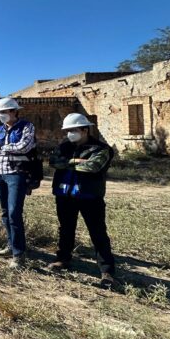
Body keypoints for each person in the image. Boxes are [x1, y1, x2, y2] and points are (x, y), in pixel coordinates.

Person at [48, 113, 116, 286]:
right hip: (65, 195)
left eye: (73, 130)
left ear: (85, 129)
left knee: (98, 232)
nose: (70, 133)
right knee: (66, 228)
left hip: (90, 196)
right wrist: (77, 160)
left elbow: (93, 166)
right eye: (68, 130)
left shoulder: (101, 148)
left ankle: (107, 271)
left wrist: (68, 162)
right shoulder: (64, 146)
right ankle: (63, 259)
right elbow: (53, 162)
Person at [0, 97, 37, 269]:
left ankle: (19, 254)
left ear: (15, 111)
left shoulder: (26, 127)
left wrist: (3, 149)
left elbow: (25, 147)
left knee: (14, 212)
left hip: (17, 173)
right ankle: (11, 245)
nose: (2, 115)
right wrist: (5, 149)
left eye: (5, 111)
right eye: (0, 112)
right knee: (5, 212)